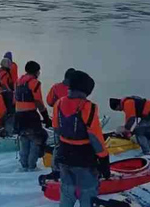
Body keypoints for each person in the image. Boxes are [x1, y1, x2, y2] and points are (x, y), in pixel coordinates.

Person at [53, 70, 110, 207]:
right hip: (84, 158)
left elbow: (56, 128)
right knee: (88, 193)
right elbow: (95, 137)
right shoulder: (88, 107)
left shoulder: (59, 103)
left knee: (67, 192)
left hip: (64, 155)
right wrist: (104, 159)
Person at [15, 60, 51, 171]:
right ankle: (32, 167)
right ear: (36, 72)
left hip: (19, 115)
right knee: (36, 140)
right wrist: (45, 116)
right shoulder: (34, 83)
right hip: (30, 115)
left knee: (24, 139)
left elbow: (14, 98)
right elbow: (38, 101)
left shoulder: (18, 81)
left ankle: (24, 165)